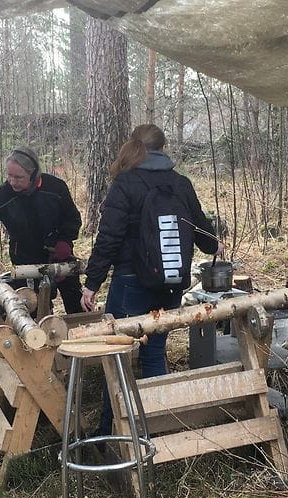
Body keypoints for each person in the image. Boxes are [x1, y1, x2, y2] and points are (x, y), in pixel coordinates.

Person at [81, 124, 222, 434]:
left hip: (132, 281)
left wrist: (92, 282)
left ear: (134, 146)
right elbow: (201, 228)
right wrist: (214, 246)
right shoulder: (180, 183)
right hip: (171, 281)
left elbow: (109, 237)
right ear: (164, 148)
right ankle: (156, 430)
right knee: (154, 353)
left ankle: (111, 432)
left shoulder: (125, 183)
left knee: (117, 356)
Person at [0, 148, 83, 314]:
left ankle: (81, 329)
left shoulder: (55, 188)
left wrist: (64, 240)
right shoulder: (3, 195)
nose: (12, 181)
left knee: (74, 300)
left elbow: (72, 218)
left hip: (58, 253)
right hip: (25, 257)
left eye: (18, 177)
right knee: (33, 307)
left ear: (33, 175)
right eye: (9, 176)